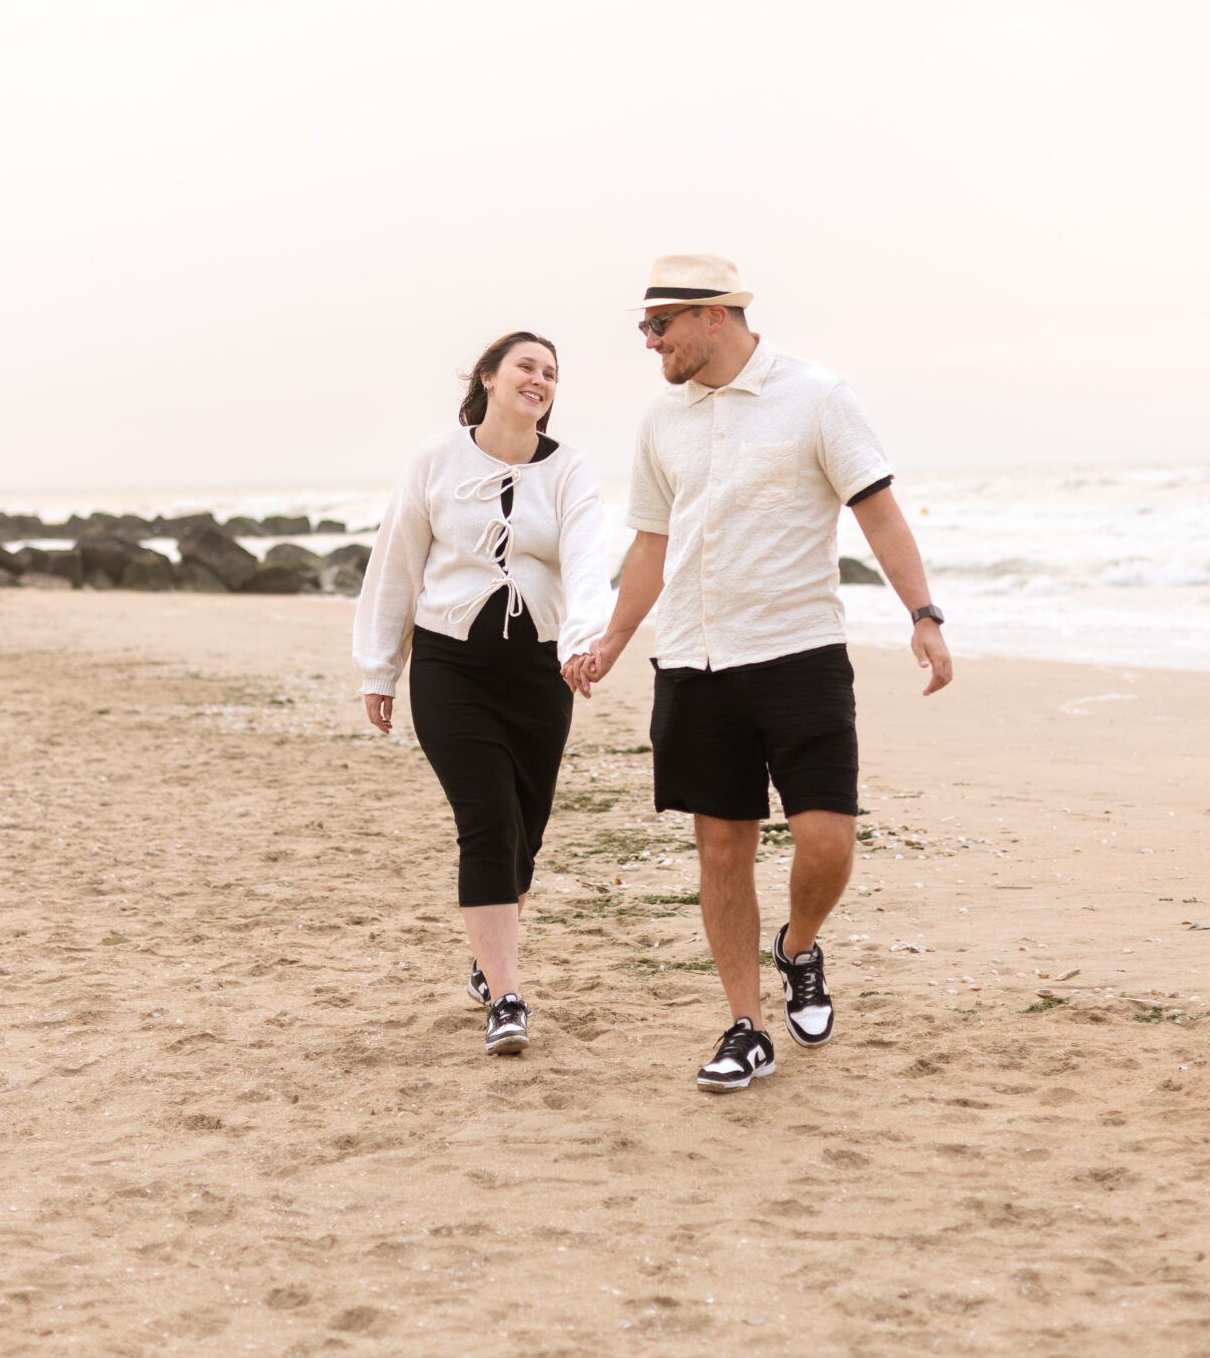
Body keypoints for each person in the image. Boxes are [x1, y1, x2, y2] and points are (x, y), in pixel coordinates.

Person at [565, 254, 952, 1091]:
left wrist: (923, 615)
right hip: (697, 659)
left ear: (714, 315)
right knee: (721, 847)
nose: (649, 341)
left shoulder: (816, 395)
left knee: (826, 838)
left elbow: (877, 509)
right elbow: (651, 545)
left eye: (658, 324)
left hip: (800, 651)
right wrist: (613, 639)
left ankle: (799, 946)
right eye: (644, 326)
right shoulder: (660, 422)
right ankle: (745, 1025)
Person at [355, 331, 612, 1056]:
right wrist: (380, 668)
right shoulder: (435, 460)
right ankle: (507, 995)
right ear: (490, 378)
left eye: (552, 373)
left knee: (525, 833)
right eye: (527, 366)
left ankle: (486, 952)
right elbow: (395, 562)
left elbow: (589, 559)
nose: (540, 379)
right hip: (451, 666)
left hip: (540, 672)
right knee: (489, 819)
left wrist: (584, 642)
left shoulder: (570, 470)